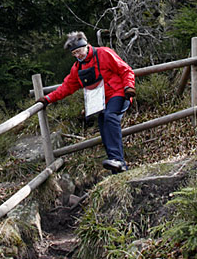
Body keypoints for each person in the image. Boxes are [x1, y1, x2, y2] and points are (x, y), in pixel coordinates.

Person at [37, 31, 135, 173]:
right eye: (74, 53)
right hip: (100, 102)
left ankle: (118, 160)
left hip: (118, 93)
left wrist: (129, 87)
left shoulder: (104, 53)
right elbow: (67, 87)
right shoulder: (77, 68)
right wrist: (48, 99)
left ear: (86, 46)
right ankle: (117, 166)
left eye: (79, 51)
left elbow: (125, 70)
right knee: (103, 126)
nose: (78, 55)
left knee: (110, 117)